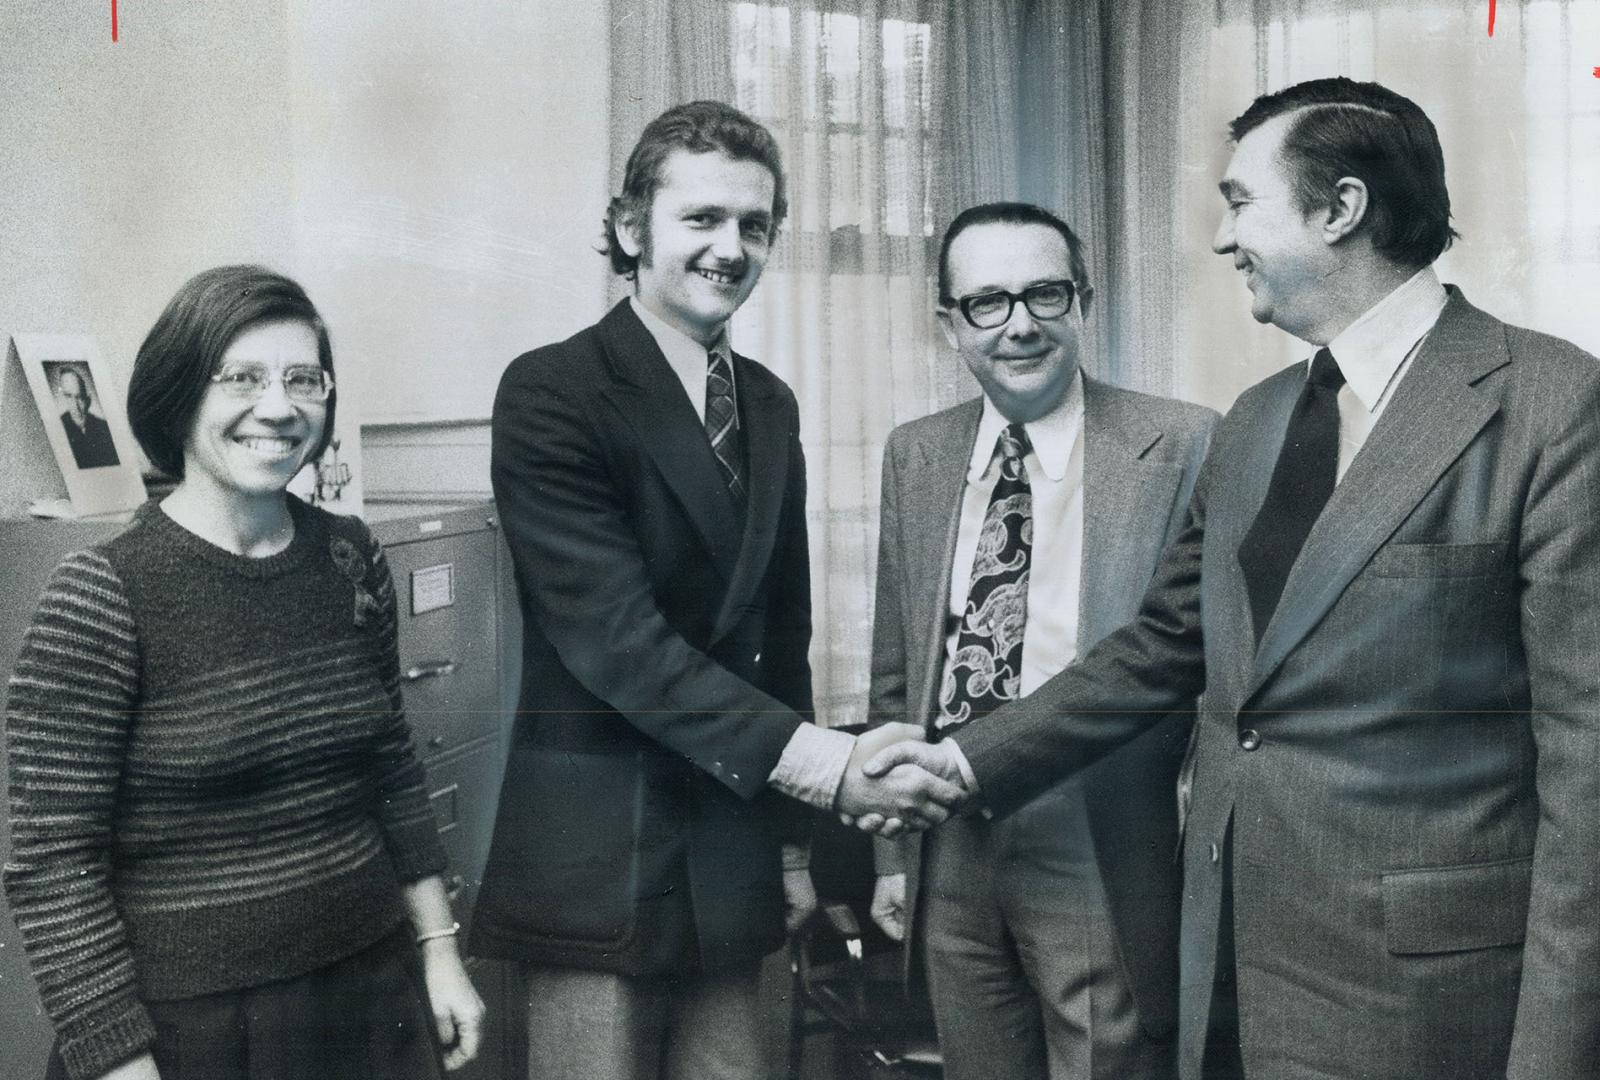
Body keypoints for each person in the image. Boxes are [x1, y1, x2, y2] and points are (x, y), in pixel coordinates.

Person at [862, 77, 1600, 1079]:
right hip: (1231, 973)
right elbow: (1162, 648)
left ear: (1341, 209)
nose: (1224, 239)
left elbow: (1594, 772)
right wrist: (963, 761)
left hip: (1426, 1000)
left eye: (1240, 201)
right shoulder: (1258, 420)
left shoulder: (1558, 408)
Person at [466, 100, 963, 1080]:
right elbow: (616, 644)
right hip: (601, 857)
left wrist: (792, 854)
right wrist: (824, 766)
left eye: (754, 225)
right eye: (701, 220)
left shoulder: (769, 403)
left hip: (733, 846)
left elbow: (785, 638)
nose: (729, 248)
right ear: (629, 228)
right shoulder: (552, 390)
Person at [4, 265, 484, 1080]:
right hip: (197, 1033)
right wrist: (117, 1062)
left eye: (304, 378)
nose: (279, 405)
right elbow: (54, 862)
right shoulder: (101, 595)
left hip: (375, 993)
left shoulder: (349, 556)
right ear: (179, 394)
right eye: (242, 378)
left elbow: (390, 765)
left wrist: (439, 952)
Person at [866, 201, 1216, 1080]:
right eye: (986, 302)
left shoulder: (1184, 443)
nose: (1019, 324)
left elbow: (1192, 658)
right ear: (950, 326)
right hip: (950, 843)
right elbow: (900, 665)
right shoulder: (918, 452)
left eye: (1044, 294)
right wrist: (893, 857)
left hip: (1097, 832)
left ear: (1084, 305)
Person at [56, 367, 119, 469]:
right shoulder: (57, 429)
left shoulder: (105, 428)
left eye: (79, 397)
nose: (75, 406)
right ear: (64, 398)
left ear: (88, 400)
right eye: (69, 397)